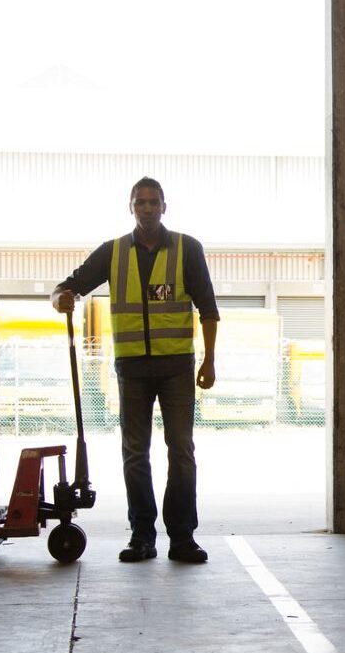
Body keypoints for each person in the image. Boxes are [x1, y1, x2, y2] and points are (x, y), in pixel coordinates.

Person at [51, 177, 219, 563]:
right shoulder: (113, 253)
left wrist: (209, 360)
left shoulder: (187, 249)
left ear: (164, 206)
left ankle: (182, 538)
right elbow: (69, 286)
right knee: (135, 453)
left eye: (153, 202)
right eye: (140, 202)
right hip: (132, 369)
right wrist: (60, 297)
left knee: (181, 450)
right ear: (131, 207)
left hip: (177, 366)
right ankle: (142, 536)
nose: (147, 208)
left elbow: (208, 308)